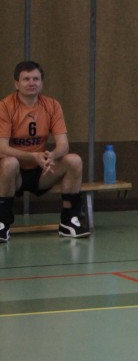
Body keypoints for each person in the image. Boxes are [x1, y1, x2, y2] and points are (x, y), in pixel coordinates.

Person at [0, 61, 90, 241]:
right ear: (16, 83)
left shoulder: (52, 105)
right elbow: (2, 147)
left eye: (36, 79)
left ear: (41, 83)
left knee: (74, 160)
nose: (31, 83)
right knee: (9, 163)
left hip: (42, 171)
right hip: (13, 175)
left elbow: (63, 144)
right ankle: (2, 222)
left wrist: (52, 155)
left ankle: (69, 221)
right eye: (26, 79)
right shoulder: (5, 106)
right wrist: (32, 156)